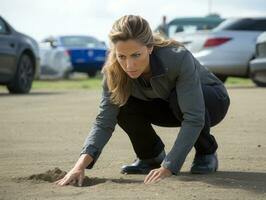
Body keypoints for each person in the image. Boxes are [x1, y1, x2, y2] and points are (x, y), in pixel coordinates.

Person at [55, 15, 230, 186]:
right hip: (166, 104)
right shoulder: (113, 71)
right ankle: (150, 156)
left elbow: (194, 116)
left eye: (136, 55)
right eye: (122, 56)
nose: (129, 65)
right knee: (120, 102)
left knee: (180, 99)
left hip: (211, 101)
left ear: (150, 47)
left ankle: (206, 153)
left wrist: (169, 166)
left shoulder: (178, 57)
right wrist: (79, 167)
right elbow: (104, 122)